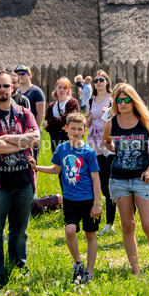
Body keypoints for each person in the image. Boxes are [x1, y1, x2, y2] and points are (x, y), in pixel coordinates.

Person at [0, 71, 40, 288]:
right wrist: (22, 142)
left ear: (13, 87)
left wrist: (7, 139)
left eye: (6, 86)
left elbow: (37, 138)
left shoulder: (24, 113)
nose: (2, 90)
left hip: (23, 181)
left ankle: (18, 267)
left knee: (20, 231)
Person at [102, 83, 149, 277]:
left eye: (126, 99)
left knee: (148, 225)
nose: (122, 103)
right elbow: (106, 141)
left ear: (133, 100)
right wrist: (115, 149)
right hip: (119, 180)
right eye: (118, 100)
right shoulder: (111, 123)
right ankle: (136, 271)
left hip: (142, 179)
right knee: (127, 225)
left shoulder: (145, 120)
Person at [31, 112, 101, 283]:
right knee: (70, 230)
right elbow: (56, 169)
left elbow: (95, 178)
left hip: (88, 200)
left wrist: (97, 204)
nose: (76, 132)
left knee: (90, 234)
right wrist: (36, 167)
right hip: (69, 199)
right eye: (73, 129)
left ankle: (89, 272)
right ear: (66, 129)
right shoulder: (61, 149)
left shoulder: (88, 152)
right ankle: (78, 262)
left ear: (84, 131)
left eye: (79, 129)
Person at [85, 70, 116, 234]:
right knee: (98, 179)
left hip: (109, 141)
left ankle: (110, 221)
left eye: (101, 79)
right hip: (93, 142)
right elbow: (87, 123)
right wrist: (87, 118)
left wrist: (109, 111)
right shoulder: (91, 100)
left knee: (109, 181)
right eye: (96, 80)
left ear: (107, 81)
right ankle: (97, 216)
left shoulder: (113, 99)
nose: (98, 82)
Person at [46, 78, 80, 153]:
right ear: (56, 88)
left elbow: (69, 119)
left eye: (64, 88)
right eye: (60, 87)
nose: (62, 90)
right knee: (57, 163)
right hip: (55, 140)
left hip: (69, 140)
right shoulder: (52, 106)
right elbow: (46, 126)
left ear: (68, 90)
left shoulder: (72, 102)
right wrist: (60, 125)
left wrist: (51, 122)